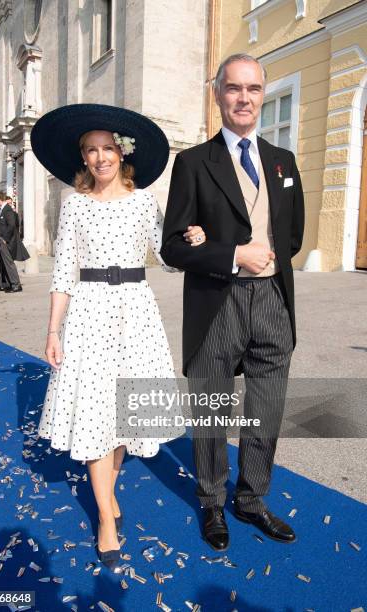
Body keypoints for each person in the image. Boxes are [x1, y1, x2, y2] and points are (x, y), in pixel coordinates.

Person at [30, 103, 206, 570]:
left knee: (122, 410)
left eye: (107, 147)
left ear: (122, 153)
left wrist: (191, 241)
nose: (100, 157)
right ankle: (107, 516)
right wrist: (53, 329)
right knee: (93, 410)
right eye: (91, 150)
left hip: (135, 310)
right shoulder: (74, 204)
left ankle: (107, 496)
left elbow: (165, 258)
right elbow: (64, 270)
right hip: (88, 310)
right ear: (83, 157)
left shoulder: (144, 199)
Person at [161, 54, 305, 550]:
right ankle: (211, 503)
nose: (244, 98)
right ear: (218, 93)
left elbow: (292, 237)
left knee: (266, 411)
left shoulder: (283, 163)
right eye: (234, 89)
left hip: (271, 303)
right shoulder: (193, 163)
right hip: (215, 304)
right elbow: (173, 247)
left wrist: (261, 262)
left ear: (262, 94)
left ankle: (251, 500)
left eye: (254, 89)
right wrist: (230, 254)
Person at [0, 191, 27, 293]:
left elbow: (11, 225)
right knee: (5, 263)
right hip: (2, 239)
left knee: (9, 263)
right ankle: (9, 284)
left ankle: (16, 285)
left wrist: (4, 238)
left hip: (6, 241)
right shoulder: (2, 210)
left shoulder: (7, 210)